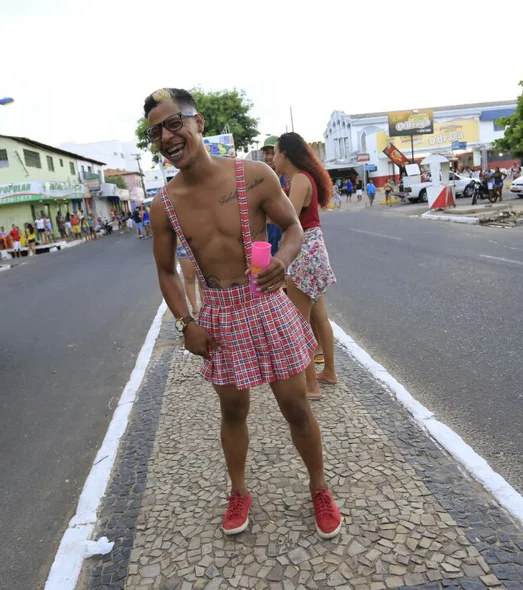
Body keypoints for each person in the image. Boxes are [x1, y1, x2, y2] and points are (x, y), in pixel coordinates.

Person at [143, 88, 341, 538]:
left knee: (295, 406)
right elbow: (166, 271)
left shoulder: (253, 176)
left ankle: (319, 487)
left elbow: (292, 228)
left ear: (199, 123)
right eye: (157, 131)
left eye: (175, 123)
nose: (168, 136)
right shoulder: (163, 205)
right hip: (219, 313)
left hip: (266, 302)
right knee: (233, 410)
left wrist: (281, 260)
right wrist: (185, 324)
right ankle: (238, 491)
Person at [274, 132, 339, 397]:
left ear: (285, 154)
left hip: (304, 252)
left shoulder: (300, 179)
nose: (274, 159)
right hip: (315, 250)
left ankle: (311, 386)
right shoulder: (304, 177)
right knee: (319, 317)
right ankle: (329, 373)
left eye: (276, 153)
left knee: (299, 322)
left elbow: (287, 217)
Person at [260, 135, 285, 256]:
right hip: (266, 237)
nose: (269, 157)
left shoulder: (288, 178)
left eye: (273, 153)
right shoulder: (259, 179)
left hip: (285, 236)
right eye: (266, 153)